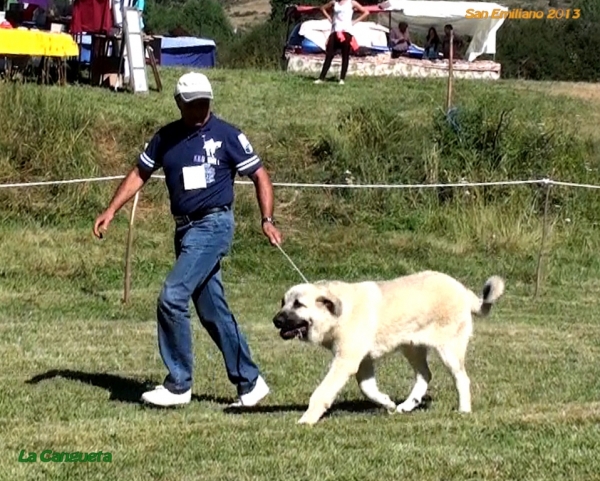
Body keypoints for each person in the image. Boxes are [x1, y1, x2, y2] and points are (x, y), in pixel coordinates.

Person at [93, 72, 283, 408]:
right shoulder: (165, 137)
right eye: (193, 102)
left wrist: (266, 219)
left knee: (172, 296)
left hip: (213, 225)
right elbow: (140, 172)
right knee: (213, 312)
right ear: (179, 103)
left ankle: (178, 384)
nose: (200, 108)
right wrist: (111, 210)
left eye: (204, 101)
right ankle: (250, 383)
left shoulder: (228, 136)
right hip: (184, 229)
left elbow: (260, 175)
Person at [314, 0, 369, 85]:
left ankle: (342, 79)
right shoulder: (334, 2)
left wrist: (354, 22)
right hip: (335, 31)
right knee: (329, 54)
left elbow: (366, 12)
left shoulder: (352, 2)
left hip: (346, 31)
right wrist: (329, 18)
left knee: (345, 55)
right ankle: (321, 78)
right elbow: (323, 8)